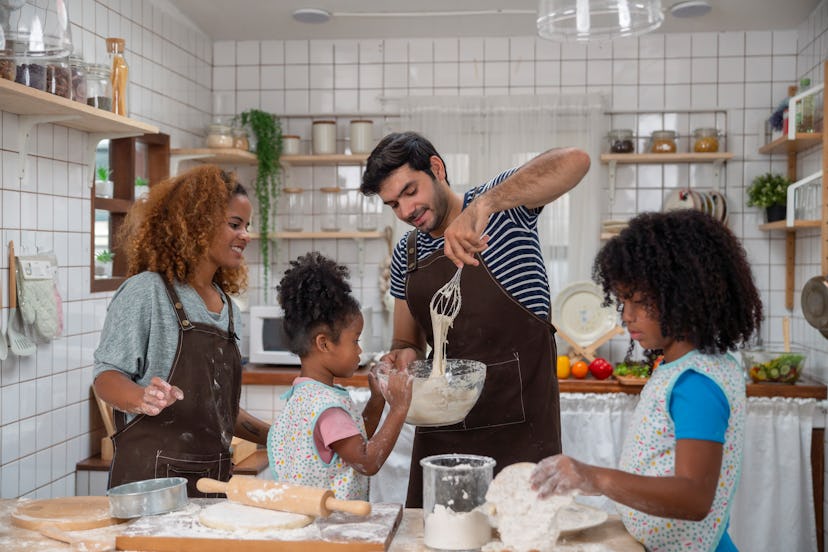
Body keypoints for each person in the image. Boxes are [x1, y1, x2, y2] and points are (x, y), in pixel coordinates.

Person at [360, 131, 591, 507]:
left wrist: (482, 206)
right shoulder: (407, 252)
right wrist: (399, 358)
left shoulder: (503, 206)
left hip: (521, 430)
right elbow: (406, 343)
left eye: (410, 191)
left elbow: (576, 160)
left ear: (436, 168)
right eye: (393, 204)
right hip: (443, 435)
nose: (405, 211)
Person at [529, 209, 763, 552]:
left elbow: (695, 497)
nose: (626, 315)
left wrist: (593, 476)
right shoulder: (682, 365)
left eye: (641, 303)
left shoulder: (696, 384)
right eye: (623, 301)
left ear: (685, 296)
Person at [93, 165, 271, 497]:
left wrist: (279, 435)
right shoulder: (146, 292)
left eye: (247, 226)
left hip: (213, 484)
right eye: (235, 225)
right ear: (196, 224)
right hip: (149, 486)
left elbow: (221, 412)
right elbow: (106, 377)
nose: (245, 235)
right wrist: (141, 398)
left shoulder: (230, 309)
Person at [267, 252, 413, 500]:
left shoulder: (304, 394)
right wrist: (399, 409)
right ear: (324, 344)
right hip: (329, 528)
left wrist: (377, 400)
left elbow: (352, 442)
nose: (359, 350)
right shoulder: (327, 408)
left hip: (307, 526)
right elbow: (366, 460)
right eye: (355, 341)